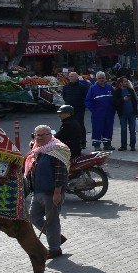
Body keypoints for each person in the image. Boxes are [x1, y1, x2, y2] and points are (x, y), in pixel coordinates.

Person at [25, 124, 70, 259]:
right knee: (33, 217)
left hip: (51, 193)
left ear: (50, 135)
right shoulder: (37, 149)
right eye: (36, 135)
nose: (38, 138)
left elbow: (60, 174)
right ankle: (56, 237)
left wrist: (57, 192)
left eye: (42, 135)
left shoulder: (57, 150)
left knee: (52, 222)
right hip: (37, 191)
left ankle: (55, 249)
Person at [84, 72, 115, 151]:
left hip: (109, 113)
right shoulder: (93, 88)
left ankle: (107, 144)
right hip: (98, 113)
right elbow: (88, 101)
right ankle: (96, 145)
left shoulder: (109, 87)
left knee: (108, 128)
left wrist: (113, 109)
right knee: (97, 129)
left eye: (103, 78)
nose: (101, 79)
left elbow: (115, 99)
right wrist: (94, 110)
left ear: (105, 78)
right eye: (100, 78)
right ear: (96, 79)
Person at [60, 72, 88, 149]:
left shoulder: (82, 87)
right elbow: (64, 96)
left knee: (80, 125)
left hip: (79, 109)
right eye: (69, 76)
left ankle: (82, 142)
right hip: (69, 110)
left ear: (76, 77)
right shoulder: (66, 87)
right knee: (69, 125)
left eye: (72, 76)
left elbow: (85, 97)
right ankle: (70, 141)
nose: (70, 78)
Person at [112, 77, 138, 151]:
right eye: (125, 81)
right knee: (123, 130)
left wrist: (136, 113)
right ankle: (123, 145)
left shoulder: (130, 90)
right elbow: (115, 102)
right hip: (123, 113)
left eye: (127, 81)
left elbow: (135, 102)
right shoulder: (117, 91)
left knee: (132, 130)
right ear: (121, 83)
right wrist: (123, 99)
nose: (126, 83)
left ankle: (132, 145)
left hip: (132, 113)